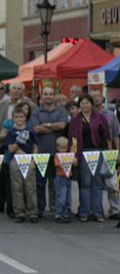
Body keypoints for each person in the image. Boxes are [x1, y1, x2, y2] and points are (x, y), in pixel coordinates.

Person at [67, 94, 110, 222]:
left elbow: (107, 135)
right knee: (85, 183)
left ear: (91, 104)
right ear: (79, 105)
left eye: (87, 103)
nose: (85, 106)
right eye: (82, 103)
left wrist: (109, 153)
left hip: (98, 151)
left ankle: (97, 212)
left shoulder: (100, 117)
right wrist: (73, 154)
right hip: (82, 152)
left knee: (97, 183)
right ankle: (84, 211)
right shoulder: (75, 120)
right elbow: (72, 138)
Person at [30, 86, 69, 218]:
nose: (48, 96)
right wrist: (54, 126)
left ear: (54, 95)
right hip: (41, 152)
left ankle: (58, 209)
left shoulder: (61, 110)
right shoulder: (36, 111)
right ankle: (40, 209)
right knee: (40, 183)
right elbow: (35, 129)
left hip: (58, 153)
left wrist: (45, 125)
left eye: (50, 94)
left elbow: (63, 126)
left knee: (58, 183)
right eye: (45, 94)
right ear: (41, 96)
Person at [91, 87, 120, 220]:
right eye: (93, 96)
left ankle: (114, 210)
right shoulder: (88, 115)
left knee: (112, 183)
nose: (96, 99)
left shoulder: (111, 115)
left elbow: (116, 135)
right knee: (95, 183)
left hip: (108, 152)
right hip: (93, 153)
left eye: (98, 96)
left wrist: (117, 153)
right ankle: (96, 209)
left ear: (102, 97)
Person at [5, 105, 39, 223]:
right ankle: (19, 212)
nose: (19, 119)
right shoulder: (11, 132)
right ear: (13, 118)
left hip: (28, 158)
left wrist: (34, 158)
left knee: (30, 187)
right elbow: (10, 149)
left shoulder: (30, 130)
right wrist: (19, 141)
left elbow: (35, 145)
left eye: (21, 117)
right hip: (16, 159)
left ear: (25, 118)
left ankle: (33, 212)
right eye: (16, 117)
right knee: (17, 187)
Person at [1, 102, 32, 218]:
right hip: (10, 157)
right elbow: (2, 136)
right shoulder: (9, 123)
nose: (23, 112)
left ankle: (25, 208)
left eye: (26, 110)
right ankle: (11, 209)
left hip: (26, 157)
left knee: (26, 185)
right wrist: (13, 132)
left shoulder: (29, 124)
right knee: (11, 185)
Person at [53, 137, 72, 223]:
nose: (63, 150)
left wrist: (73, 160)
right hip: (60, 177)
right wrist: (67, 162)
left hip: (68, 177)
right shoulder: (57, 156)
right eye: (61, 148)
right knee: (61, 197)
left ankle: (65, 213)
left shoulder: (69, 155)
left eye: (65, 148)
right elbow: (59, 165)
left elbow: (74, 162)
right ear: (57, 148)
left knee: (68, 197)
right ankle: (58, 214)